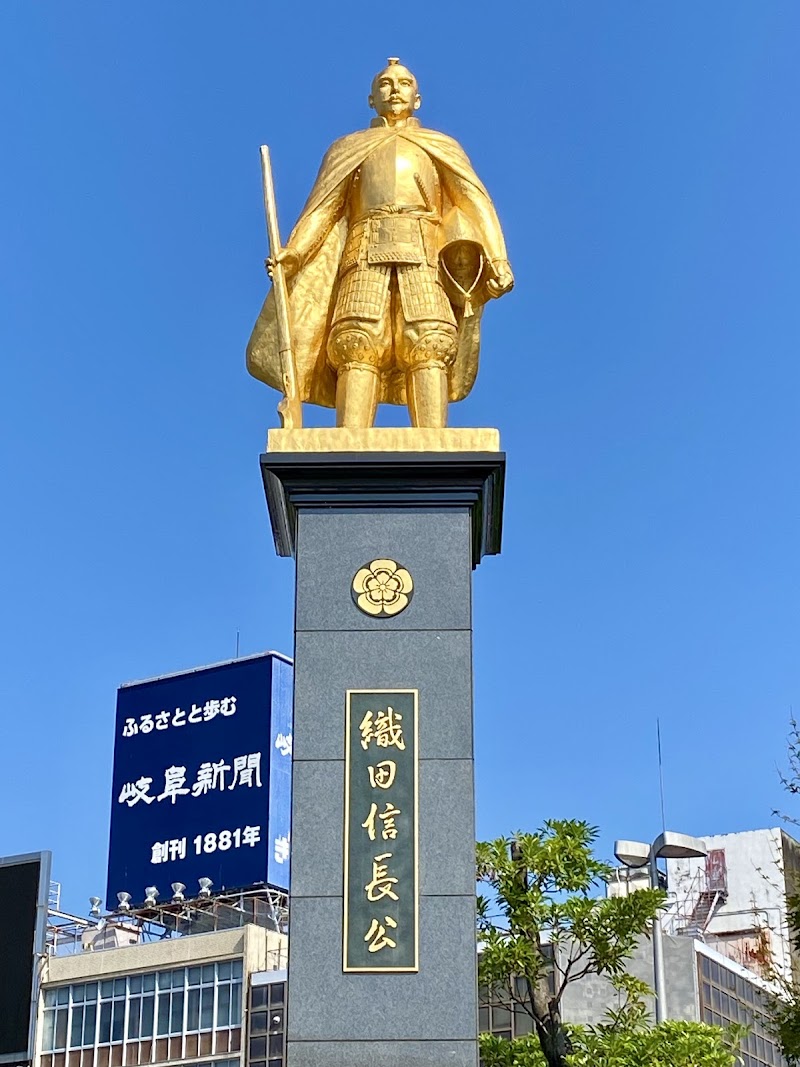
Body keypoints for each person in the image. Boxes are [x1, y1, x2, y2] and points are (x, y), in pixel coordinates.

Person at [247, 58, 514, 429]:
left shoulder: (439, 145)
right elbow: (322, 209)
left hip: (423, 251)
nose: (395, 89)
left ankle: (433, 440)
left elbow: (474, 199)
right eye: (385, 84)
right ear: (371, 99)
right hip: (364, 251)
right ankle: (351, 440)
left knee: (429, 340)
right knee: (357, 342)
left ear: (417, 98)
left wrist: (498, 259)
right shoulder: (349, 147)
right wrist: (294, 254)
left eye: (404, 83)